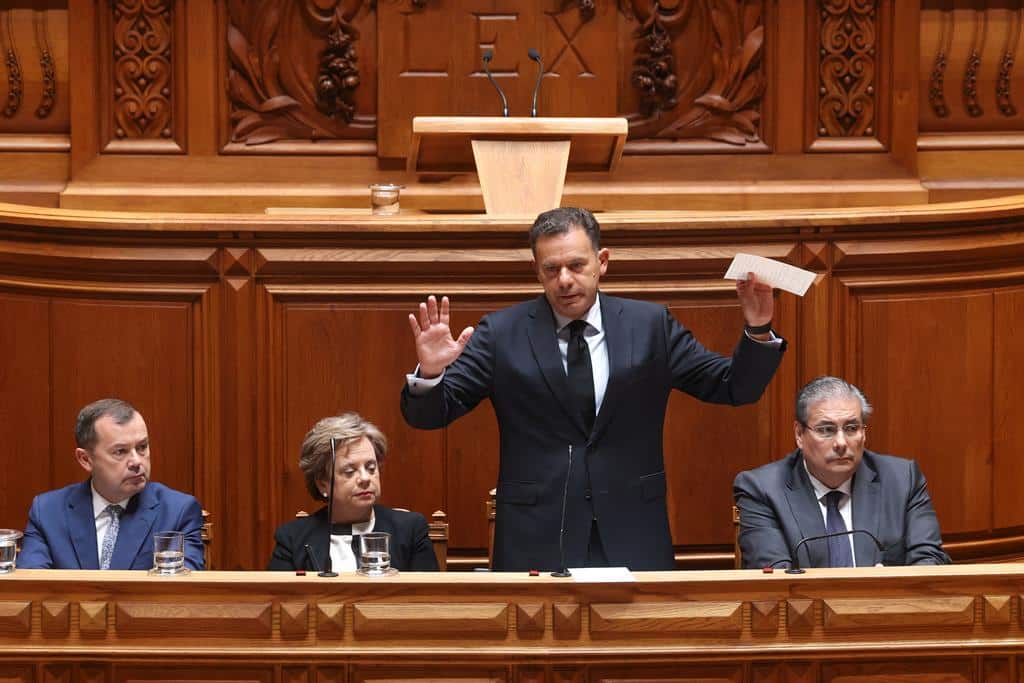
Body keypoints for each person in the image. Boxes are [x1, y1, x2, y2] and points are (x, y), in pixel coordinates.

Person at [401, 207, 785, 572]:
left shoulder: (649, 325)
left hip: (634, 533)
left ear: (602, 261)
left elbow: (733, 387)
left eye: (576, 265)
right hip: (536, 538)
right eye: (551, 269)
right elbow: (430, 415)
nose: (564, 280)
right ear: (536, 270)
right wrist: (432, 372)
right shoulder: (501, 333)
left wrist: (757, 328)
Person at [733, 376, 950, 569]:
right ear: (799, 434)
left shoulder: (903, 479)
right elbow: (774, 580)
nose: (841, 443)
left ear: (863, 433)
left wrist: (890, 587)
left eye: (851, 428)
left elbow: (930, 561)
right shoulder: (761, 489)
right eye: (826, 430)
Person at [19, 399, 205, 570]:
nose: (136, 461)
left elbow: (183, 593)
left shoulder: (178, 511)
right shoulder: (47, 512)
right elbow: (31, 589)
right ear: (85, 459)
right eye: (120, 451)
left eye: (142, 447)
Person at [268, 412, 438, 572]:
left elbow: (430, 599)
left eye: (371, 468)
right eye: (350, 472)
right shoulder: (292, 539)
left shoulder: (409, 530)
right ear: (322, 484)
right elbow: (278, 600)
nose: (365, 478)